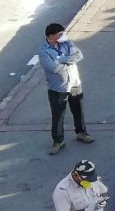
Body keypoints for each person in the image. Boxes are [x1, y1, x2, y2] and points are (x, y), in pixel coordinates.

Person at [37, 22, 95, 154]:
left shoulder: (66, 43)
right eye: (60, 34)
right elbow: (52, 68)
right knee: (58, 115)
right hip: (58, 88)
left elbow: (79, 55)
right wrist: (69, 61)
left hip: (74, 83)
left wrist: (61, 60)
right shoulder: (43, 51)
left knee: (78, 111)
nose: (63, 36)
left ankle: (81, 133)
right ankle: (58, 141)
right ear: (51, 36)